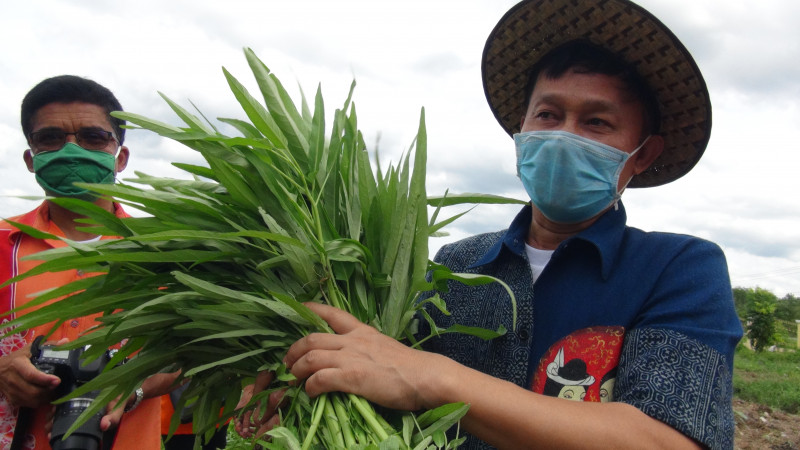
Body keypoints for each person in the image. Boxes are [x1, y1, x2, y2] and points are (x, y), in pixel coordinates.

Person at [243, 0, 743, 449]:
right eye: (548, 115)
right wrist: (306, 380)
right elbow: (383, 380)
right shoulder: (453, 265)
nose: (564, 136)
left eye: (596, 123)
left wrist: (432, 377)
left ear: (643, 153)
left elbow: (667, 440)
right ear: (520, 132)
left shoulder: (679, 269)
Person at [0, 75, 175, 449]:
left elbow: (193, 355)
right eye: (50, 138)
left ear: (120, 156)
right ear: (32, 159)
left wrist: (135, 384)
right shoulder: (2, 245)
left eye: (93, 137)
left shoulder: (164, 252)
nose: (71, 149)